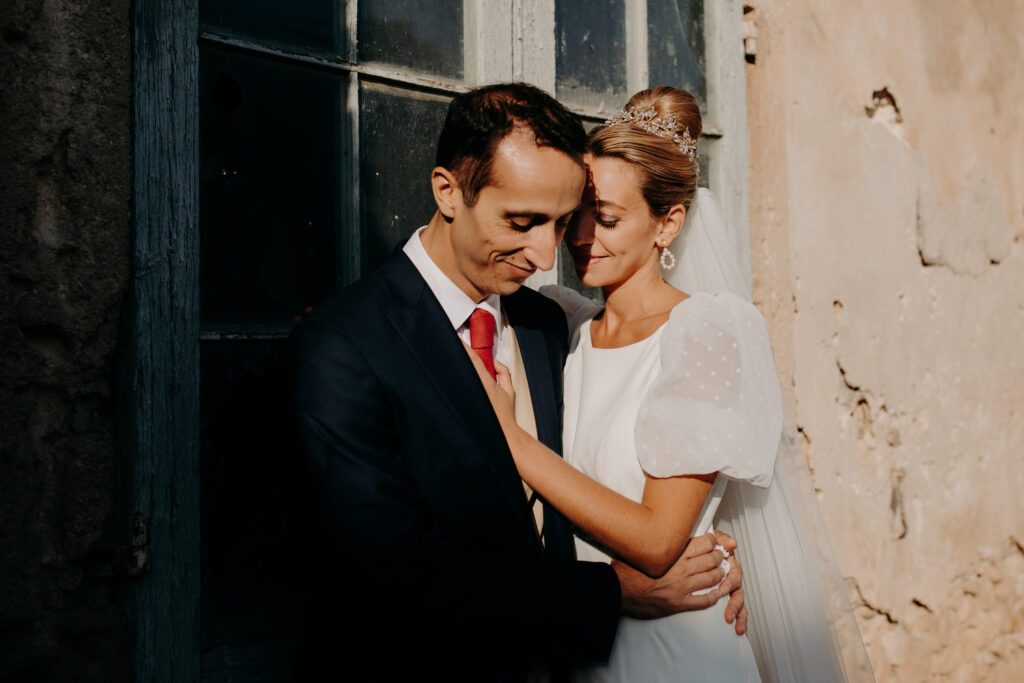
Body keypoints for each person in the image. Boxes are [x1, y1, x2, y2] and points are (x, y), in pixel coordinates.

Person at [289, 83, 747, 681]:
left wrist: (711, 561)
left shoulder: (549, 324)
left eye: (561, 222)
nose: (545, 253)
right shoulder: (344, 345)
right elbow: (396, 575)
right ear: (448, 191)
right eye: (523, 221)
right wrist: (614, 591)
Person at [470, 86, 874, 682]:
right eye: (578, 212)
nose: (581, 235)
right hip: (587, 637)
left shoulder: (707, 333)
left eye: (606, 218)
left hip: (674, 651)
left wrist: (513, 442)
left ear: (669, 223)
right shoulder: (564, 324)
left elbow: (660, 539)